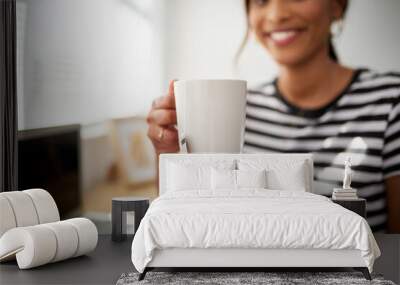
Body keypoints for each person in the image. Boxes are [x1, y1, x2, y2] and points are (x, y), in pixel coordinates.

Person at [146, 0, 400, 233]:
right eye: (260, 1)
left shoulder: (389, 100)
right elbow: (195, 226)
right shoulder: (239, 109)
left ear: (337, 6)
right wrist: (167, 154)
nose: (277, 14)